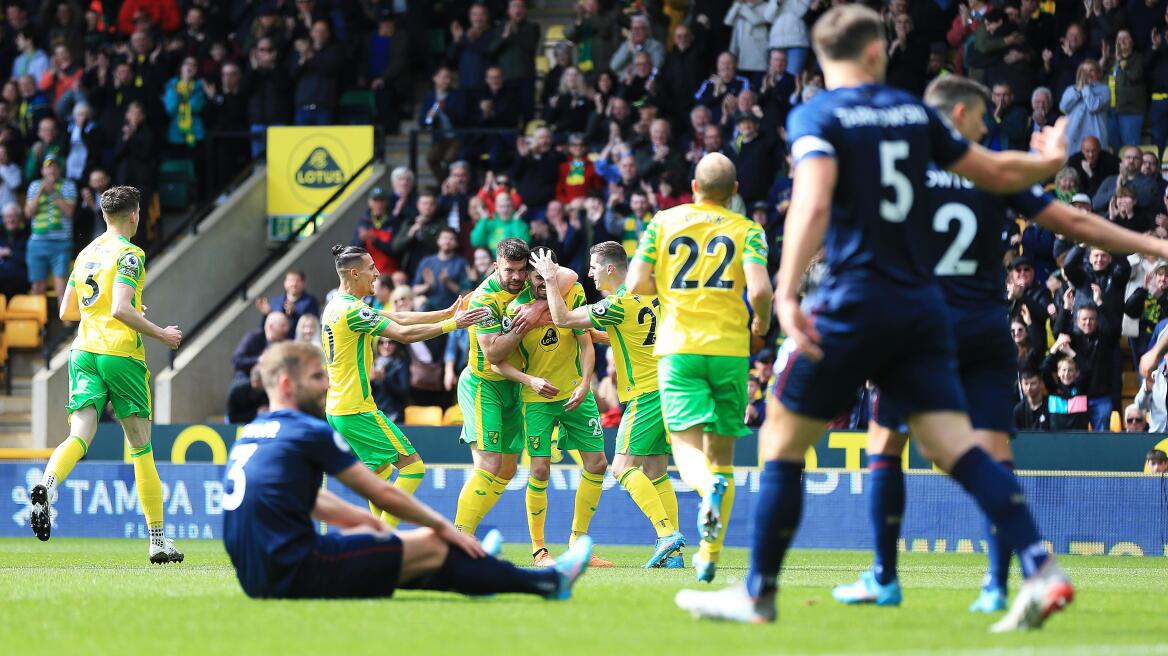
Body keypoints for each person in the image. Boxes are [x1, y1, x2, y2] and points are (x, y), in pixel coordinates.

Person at [672, 5, 1074, 630]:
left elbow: (812, 199)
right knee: (957, 449)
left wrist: (785, 293)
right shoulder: (915, 113)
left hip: (856, 301)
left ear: (827, 57)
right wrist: (1048, 162)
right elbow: (994, 171)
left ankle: (758, 593)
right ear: (872, 52)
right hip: (921, 310)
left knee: (780, 439)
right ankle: (1042, 569)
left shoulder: (818, 114)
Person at [833, 73, 1168, 612]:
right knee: (995, 456)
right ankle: (996, 584)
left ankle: (884, 576)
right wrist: (1156, 244)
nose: (990, 126)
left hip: (921, 330)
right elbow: (1077, 223)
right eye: (984, 116)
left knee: (885, 448)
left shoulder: (900, 169)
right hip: (986, 331)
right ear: (960, 114)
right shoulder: (992, 173)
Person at [221, 341, 593, 600]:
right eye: (318, 377)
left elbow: (315, 500)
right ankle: (549, 581)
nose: (327, 385)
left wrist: (376, 528)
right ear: (288, 384)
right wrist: (445, 529)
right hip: (295, 569)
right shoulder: (306, 431)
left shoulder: (251, 434)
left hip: (257, 575)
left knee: (400, 560)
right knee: (430, 546)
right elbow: (382, 493)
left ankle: (478, 573)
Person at [625, 151, 772, 583]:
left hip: (679, 349)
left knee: (685, 445)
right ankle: (709, 555)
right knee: (721, 456)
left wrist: (664, 287)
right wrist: (760, 321)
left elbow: (634, 284)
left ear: (693, 187)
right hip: (730, 350)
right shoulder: (749, 230)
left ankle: (706, 489)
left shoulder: (664, 223)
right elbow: (761, 289)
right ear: (735, 192)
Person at [28, 186, 184, 563]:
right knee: (141, 446)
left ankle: (47, 487)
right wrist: (160, 332)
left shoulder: (85, 254)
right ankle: (158, 540)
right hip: (119, 354)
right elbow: (120, 309)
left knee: (79, 434)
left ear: (103, 215)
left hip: (82, 352)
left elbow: (67, 310)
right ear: (134, 216)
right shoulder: (131, 254)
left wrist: (103, 311)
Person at [532, 243, 685, 569]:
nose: (589, 274)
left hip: (644, 395)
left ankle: (666, 533)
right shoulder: (653, 295)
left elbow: (561, 318)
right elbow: (622, 335)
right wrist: (589, 334)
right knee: (657, 472)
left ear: (611, 269)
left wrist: (548, 279)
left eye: (594, 267)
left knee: (621, 468)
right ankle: (674, 554)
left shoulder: (617, 303)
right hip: (668, 389)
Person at [321, 245, 487, 528]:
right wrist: (452, 325)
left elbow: (398, 318)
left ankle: (377, 545)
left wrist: (445, 313)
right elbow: (403, 334)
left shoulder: (338, 306)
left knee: (381, 476)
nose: (377, 273)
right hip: (356, 408)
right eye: (371, 268)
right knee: (413, 468)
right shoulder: (351, 311)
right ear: (354, 272)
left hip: (339, 408)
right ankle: (382, 538)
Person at [489, 251, 612, 567]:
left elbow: (585, 343)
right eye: (537, 278)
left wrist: (586, 384)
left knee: (597, 463)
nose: (544, 283)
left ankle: (579, 542)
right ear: (528, 279)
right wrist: (530, 381)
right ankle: (539, 550)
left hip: (575, 392)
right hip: (537, 400)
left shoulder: (573, 292)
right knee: (540, 469)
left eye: (549, 275)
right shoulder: (517, 311)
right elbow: (500, 364)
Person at [452, 239, 576, 536]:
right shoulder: (483, 299)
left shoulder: (524, 287)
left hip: (514, 387)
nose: (518, 278)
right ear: (496, 266)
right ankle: (459, 537)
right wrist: (525, 325)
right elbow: (494, 353)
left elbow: (570, 276)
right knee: (490, 463)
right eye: (510, 271)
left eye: (522, 271)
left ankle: (465, 533)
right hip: (485, 385)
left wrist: (538, 305)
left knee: (507, 469)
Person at [24, 155, 74, 296]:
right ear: (42, 170)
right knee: (37, 284)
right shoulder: (34, 186)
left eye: (55, 166)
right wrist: (41, 191)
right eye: (48, 166)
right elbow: (29, 213)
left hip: (61, 242)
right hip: (37, 242)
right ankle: (39, 317)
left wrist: (52, 191)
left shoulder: (68, 185)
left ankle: (65, 318)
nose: (52, 169)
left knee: (61, 283)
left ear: (60, 169)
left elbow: (69, 211)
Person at [255, 269, 320, 331]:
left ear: (303, 283)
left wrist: (293, 314)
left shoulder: (310, 301)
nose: (294, 284)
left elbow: (313, 325)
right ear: (285, 283)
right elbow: (264, 328)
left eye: (297, 280)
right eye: (291, 280)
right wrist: (267, 314)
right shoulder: (276, 301)